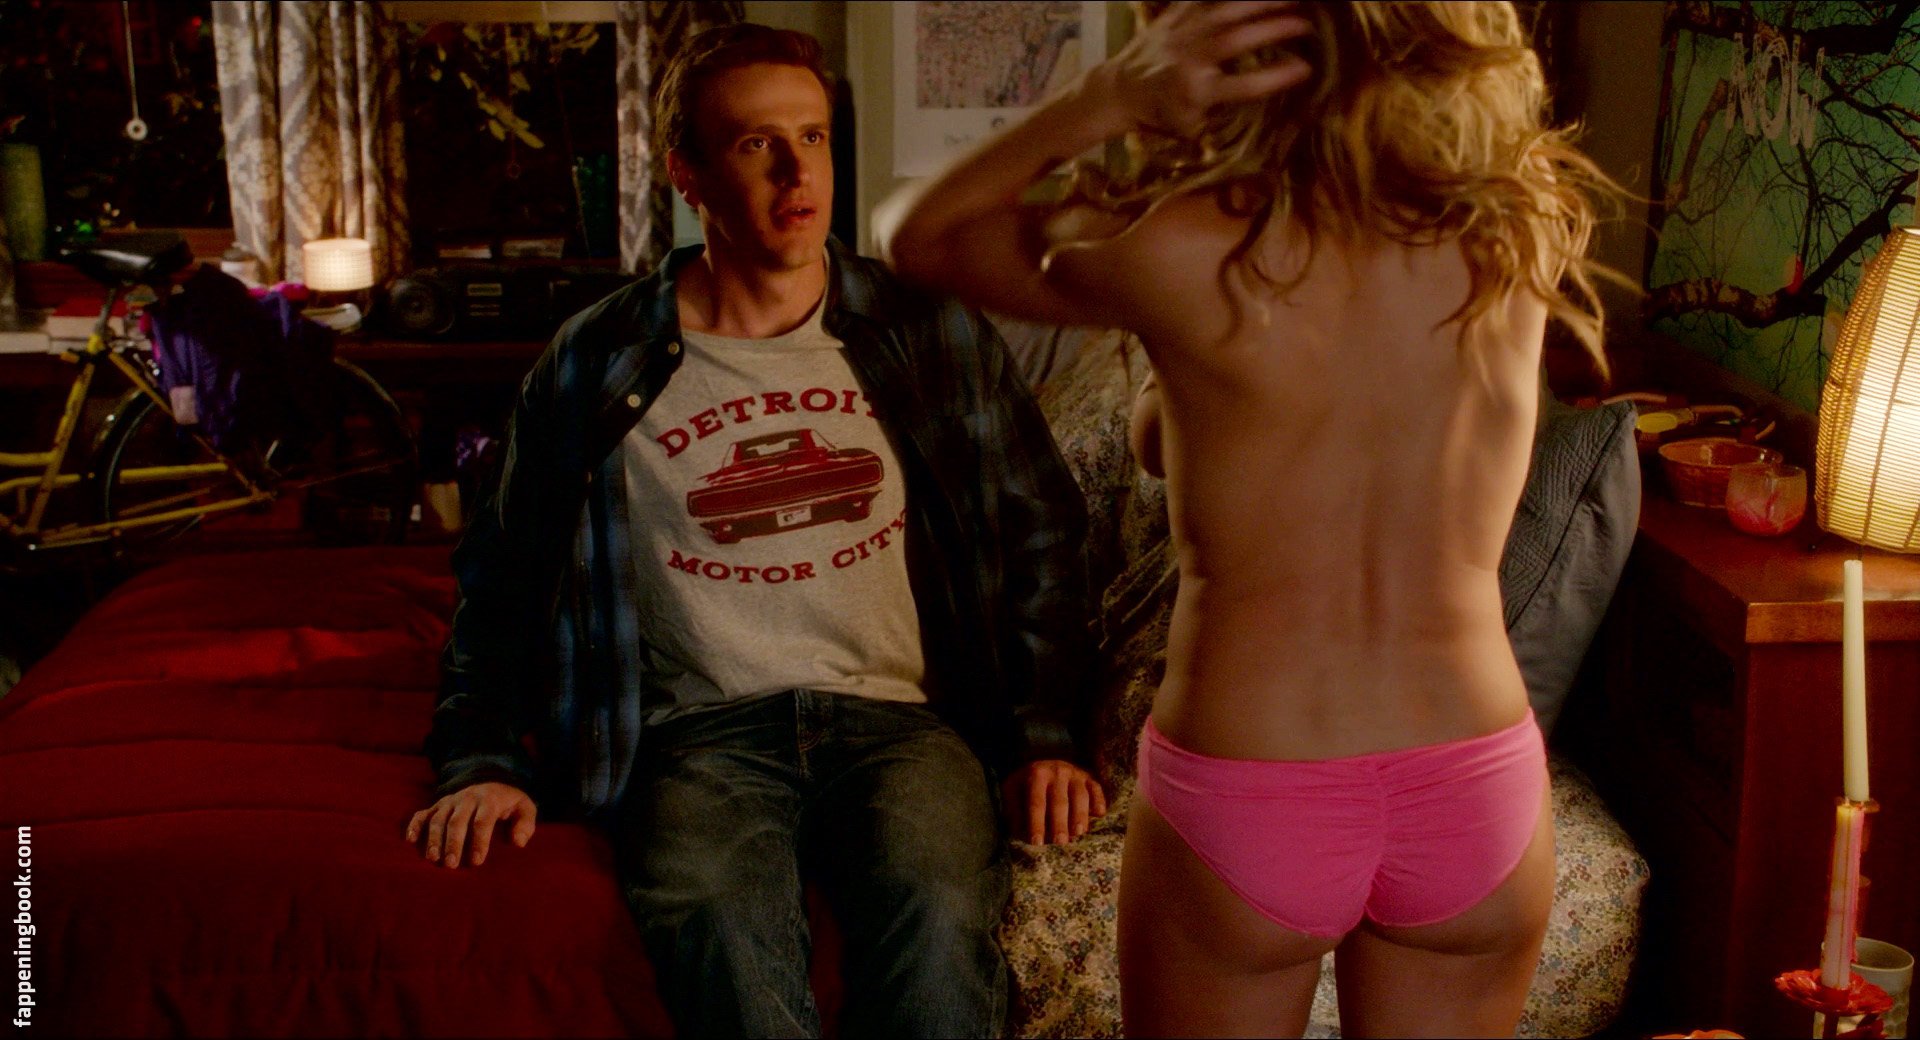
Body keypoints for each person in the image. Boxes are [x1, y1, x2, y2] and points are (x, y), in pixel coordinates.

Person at [877, 1, 1621, 1035]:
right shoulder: (1517, 223)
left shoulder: (1184, 248)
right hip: (1471, 775)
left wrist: (1109, 95)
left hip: (1257, 778)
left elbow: (919, 235)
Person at [405, 23, 1107, 1039]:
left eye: (812, 137)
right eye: (754, 144)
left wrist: (1044, 733)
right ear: (687, 174)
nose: (796, 171)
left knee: (939, 911)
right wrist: (479, 757)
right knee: (714, 919)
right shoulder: (600, 354)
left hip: (903, 725)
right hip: (697, 735)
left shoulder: (925, 329)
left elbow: (1042, 533)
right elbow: (505, 577)